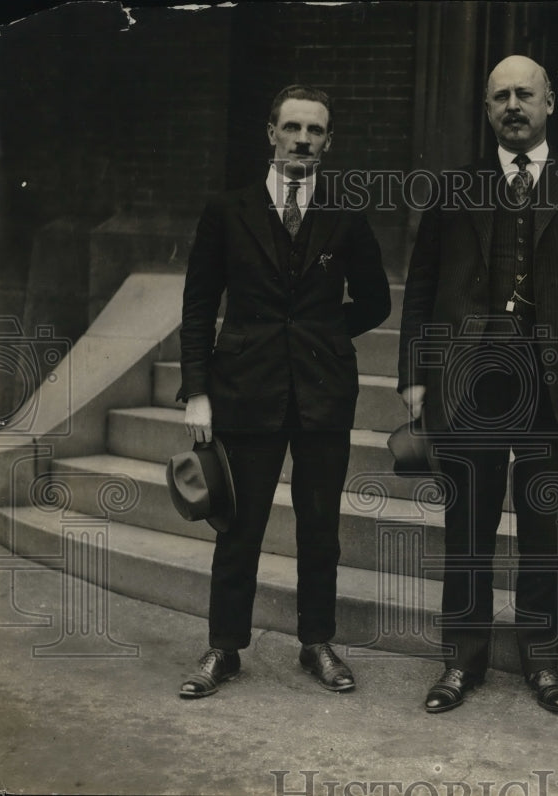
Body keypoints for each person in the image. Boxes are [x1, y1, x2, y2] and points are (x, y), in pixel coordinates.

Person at [397, 55, 558, 714]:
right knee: (466, 528)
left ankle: (542, 661)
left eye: (525, 93)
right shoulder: (454, 187)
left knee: (544, 529)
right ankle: (460, 663)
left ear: (550, 102)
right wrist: (415, 376)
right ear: (487, 109)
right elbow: (420, 287)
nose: (513, 105)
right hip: (467, 384)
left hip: (554, 386)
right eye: (500, 96)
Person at [176, 84, 390, 698]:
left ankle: (316, 642)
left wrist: (321, 336)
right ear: (270, 133)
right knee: (238, 527)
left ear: (329, 140)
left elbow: (375, 300)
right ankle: (223, 648)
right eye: (292, 128)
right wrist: (197, 390)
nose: (302, 141)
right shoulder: (228, 209)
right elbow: (197, 306)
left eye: (315, 131)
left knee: (320, 528)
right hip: (243, 390)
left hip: (323, 393)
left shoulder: (345, 212)